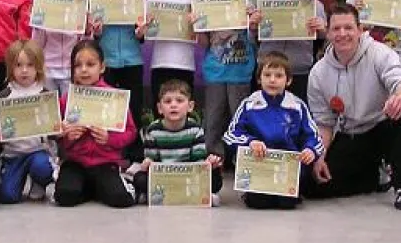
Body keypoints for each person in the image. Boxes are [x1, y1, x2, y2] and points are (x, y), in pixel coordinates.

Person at [305, 3, 401, 211]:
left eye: (349, 28)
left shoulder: (380, 53)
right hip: (353, 134)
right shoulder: (318, 73)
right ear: (328, 33)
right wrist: (319, 157)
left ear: (360, 30)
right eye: (336, 29)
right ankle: (375, 177)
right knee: (313, 185)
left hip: (384, 126)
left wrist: (400, 98)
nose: (343, 34)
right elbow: (324, 124)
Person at [224, 52, 324, 210]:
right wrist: (250, 142)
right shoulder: (249, 104)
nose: (272, 80)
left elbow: (315, 137)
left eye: (278, 76)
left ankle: (293, 192)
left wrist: (310, 150)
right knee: (258, 203)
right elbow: (230, 135)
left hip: (287, 171)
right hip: (258, 168)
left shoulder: (297, 106)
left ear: (288, 80)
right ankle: (249, 193)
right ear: (259, 79)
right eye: (267, 75)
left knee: (287, 204)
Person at [54, 39, 137, 208]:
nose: (84, 70)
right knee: (64, 197)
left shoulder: (114, 98)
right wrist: (66, 135)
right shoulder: (66, 100)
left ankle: (102, 186)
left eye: (90, 64)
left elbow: (130, 132)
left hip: (105, 162)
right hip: (75, 162)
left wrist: (109, 139)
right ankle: (91, 189)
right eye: (78, 66)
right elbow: (56, 136)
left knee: (120, 200)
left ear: (102, 67)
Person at [199, 0, 257, 160]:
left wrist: (253, 22)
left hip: (240, 69)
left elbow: (254, 36)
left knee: (240, 117)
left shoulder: (246, 3)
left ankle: (241, 158)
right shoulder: (204, 5)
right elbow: (203, 44)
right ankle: (213, 158)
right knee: (213, 117)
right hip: (215, 70)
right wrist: (197, 26)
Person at [88, 0, 146, 141]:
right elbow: (94, 36)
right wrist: (96, 32)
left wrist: (140, 32)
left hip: (132, 60)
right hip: (106, 62)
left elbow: (142, 35)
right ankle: (109, 150)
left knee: (133, 108)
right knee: (108, 109)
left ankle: (134, 153)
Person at [133, 78, 222, 206]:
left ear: (190, 106)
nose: (173, 105)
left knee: (216, 178)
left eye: (179, 101)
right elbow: (152, 162)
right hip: (164, 178)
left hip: (188, 177)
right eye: (167, 101)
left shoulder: (196, 130)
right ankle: (194, 196)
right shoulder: (153, 130)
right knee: (139, 178)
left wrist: (209, 164)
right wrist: (148, 164)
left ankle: (158, 196)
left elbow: (198, 162)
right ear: (159, 108)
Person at [254, 0, 327, 101]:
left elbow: (324, 41)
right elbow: (254, 38)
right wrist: (253, 26)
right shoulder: (265, 3)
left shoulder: (315, 6)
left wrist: (322, 30)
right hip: (269, 70)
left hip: (300, 70)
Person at [0, 39, 57, 204]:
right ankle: (11, 179)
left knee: (42, 167)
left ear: (38, 67)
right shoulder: (4, 96)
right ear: (10, 67)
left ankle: (39, 182)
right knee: (7, 197)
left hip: (38, 151)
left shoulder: (45, 94)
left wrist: (58, 129)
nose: (24, 70)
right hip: (13, 154)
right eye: (18, 65)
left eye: (30, 65)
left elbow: (53, 133)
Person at [144, 0, 197, 106]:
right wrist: (145, 27)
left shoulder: (192, 1)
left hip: (185, 65)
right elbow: (145, 36)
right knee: (160, 108)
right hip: (160, 64)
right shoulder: (152, 0)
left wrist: (196, 25)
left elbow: (199, 36)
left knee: (183, 109)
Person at [30, 0, 85, 98]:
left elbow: (83, 41)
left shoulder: (80, 6)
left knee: (69, 107)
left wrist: (88, 29)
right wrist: (38, 25)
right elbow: (37, 44)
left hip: (70, 68)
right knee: (50, 107)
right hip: (47, 67)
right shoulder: (42, 4)